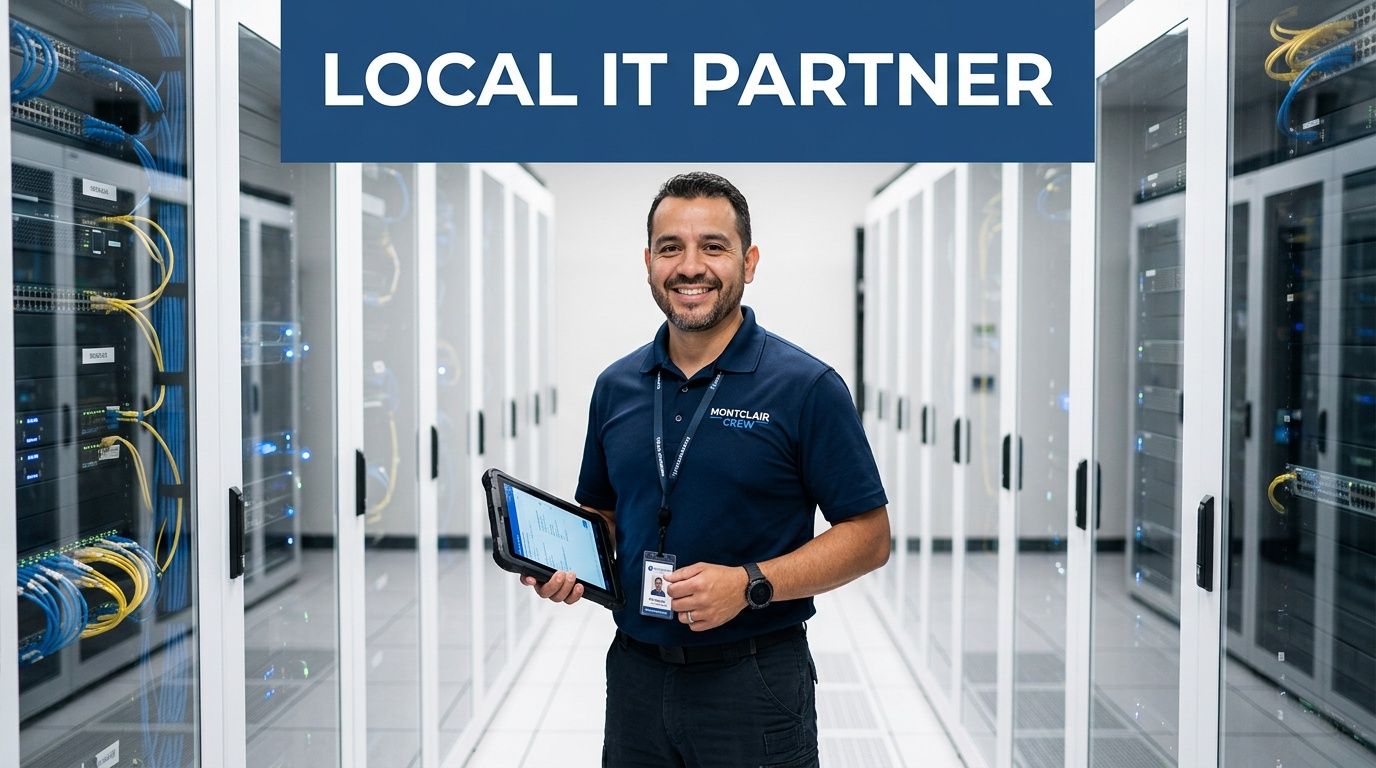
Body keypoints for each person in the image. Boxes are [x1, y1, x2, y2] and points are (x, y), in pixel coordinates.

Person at [522, 171, 889, 767]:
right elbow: (606, 512)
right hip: (637, 672)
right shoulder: (616, 387)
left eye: (713, 247)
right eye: (671, 248)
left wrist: (748, 584)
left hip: (754, 679)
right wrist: (567, 560)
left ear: (749, 262)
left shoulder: (806, 387)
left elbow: (869, 538)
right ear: (648, 262)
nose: (690, 266)